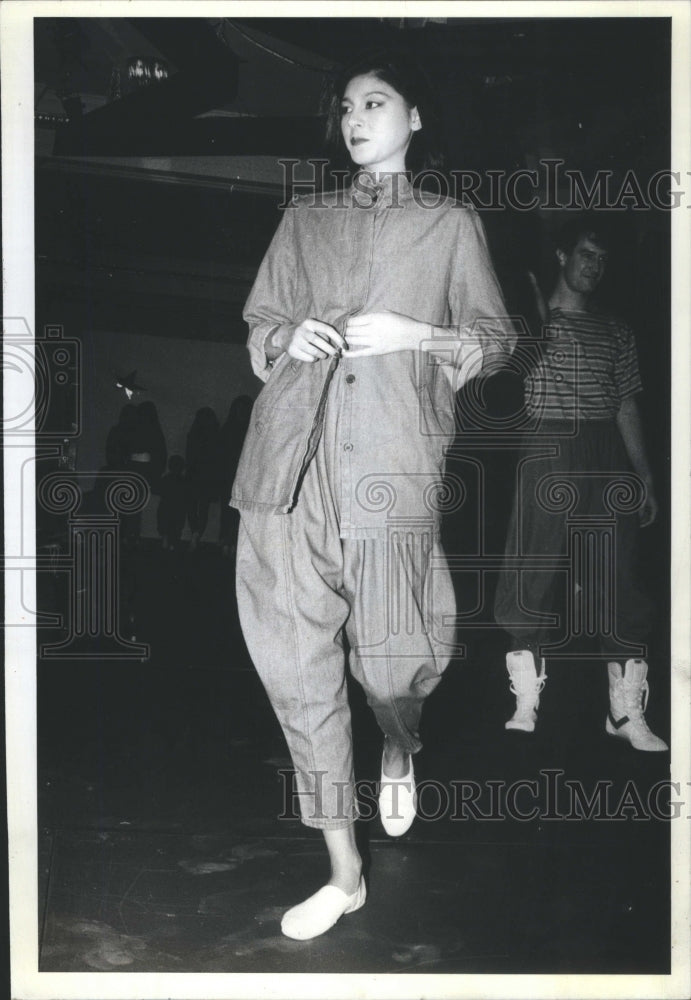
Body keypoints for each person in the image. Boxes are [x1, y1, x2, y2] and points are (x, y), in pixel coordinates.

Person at [230, 49, 515, 940]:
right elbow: (258, 327)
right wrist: (289, 340)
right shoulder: (303, 219)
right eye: (346, 106)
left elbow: (495, 342)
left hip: (393, 468)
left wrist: (418, 332)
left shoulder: (450, 225)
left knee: (394, 665)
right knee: (295, 668)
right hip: (288, 467)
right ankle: (344, 873)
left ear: (414, 117)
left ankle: (399, 742)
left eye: (375, 102)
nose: (355, 118)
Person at [493, 215, 667, 752]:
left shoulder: (616, 331)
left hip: (604, 451)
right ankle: (526, 701)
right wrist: (534, 329)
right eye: (587, 254)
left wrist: (643, 475)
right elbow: (501, 385)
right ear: (563, 256)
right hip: (546, 445)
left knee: (618, 579)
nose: (595, 266)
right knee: (533, 571)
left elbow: (625, 405)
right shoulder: (528, 322)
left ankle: (623, 714)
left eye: (603, 259)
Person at [185, 406, 222, 551]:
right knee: (203, 507)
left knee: (192, 507)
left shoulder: (193, 434)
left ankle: (195, 533)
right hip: (207, 476)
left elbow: (189, 456)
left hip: (194, 474)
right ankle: (197, 534)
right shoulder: (215, 435)